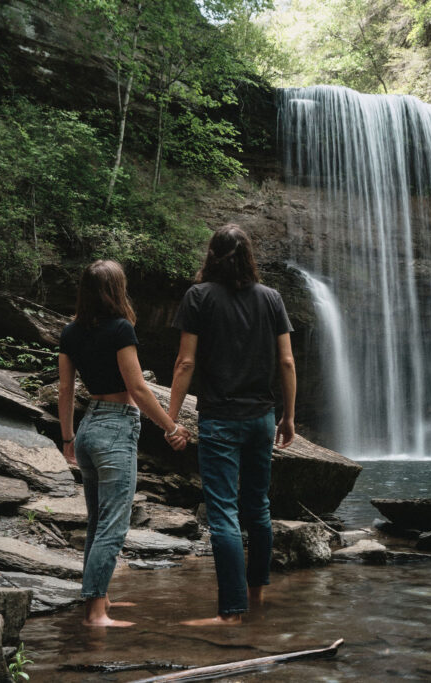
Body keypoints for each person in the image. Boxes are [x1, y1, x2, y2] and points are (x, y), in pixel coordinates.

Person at [169, 224, 296, 626]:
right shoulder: (272, 299)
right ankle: (256, 593)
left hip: (220, 419)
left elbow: (186, 362)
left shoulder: (198, 297)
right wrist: (289, 416)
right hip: (261, 418)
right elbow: (288, 362)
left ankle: (231, 613)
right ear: (249, 256)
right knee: (257, 507)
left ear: (211, 255)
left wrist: (170, 418)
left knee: (223, 513)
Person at [58, 259, 191, 628]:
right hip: (116, 427)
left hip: (87, 428)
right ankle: (96, 613)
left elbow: (66, 389)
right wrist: (169, 427)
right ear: (117, 290)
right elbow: (137, 388)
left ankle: (98, 597)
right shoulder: (120, 329)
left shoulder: (70, 332)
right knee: (112, 527)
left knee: (97, 521)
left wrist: (68, 437)